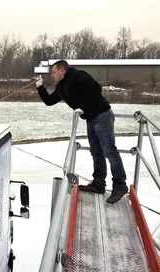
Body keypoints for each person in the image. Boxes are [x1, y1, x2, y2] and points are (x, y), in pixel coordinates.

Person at [35, 59, 128, 204]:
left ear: (62, 70)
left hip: (102, 115)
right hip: (91, 119)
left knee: (110, 151)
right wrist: (40, 87)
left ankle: (120, 186)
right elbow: (49, 101)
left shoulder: (78, 76)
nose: (52, 75)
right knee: (96, 152)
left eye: (54, 72)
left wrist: (83, 106)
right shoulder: (61, 87)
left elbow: (96, 88)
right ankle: (99, 184)